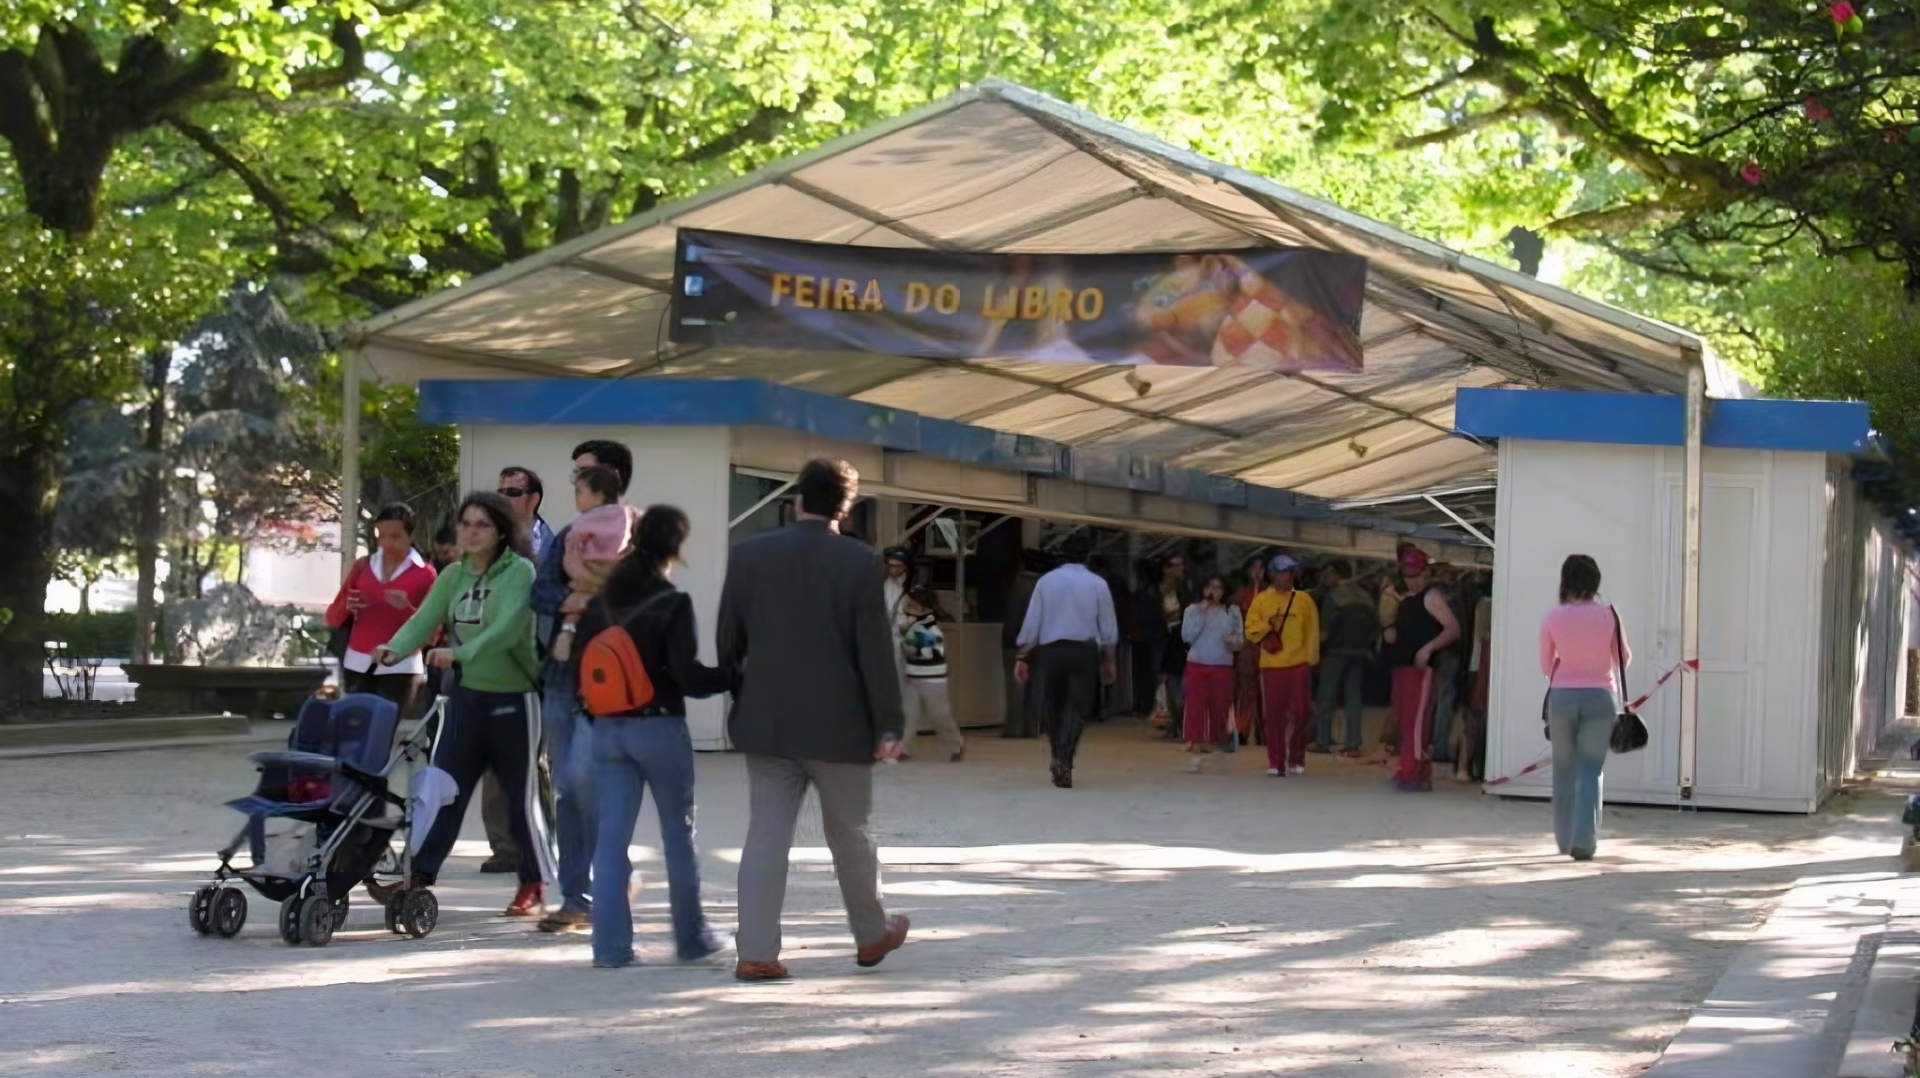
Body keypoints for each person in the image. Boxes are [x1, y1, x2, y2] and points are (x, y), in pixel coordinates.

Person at [718, 458, 910, 982]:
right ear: (846, 508)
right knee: (850, 833)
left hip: (767, 720)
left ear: (796, 499)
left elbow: (727, 642)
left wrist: (747, 695)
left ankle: (756, 950)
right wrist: (889, 723)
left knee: (766, 833)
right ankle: (871, 936)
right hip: (838, 726)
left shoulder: (749, 555)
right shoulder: (859, 561)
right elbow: (876, 652)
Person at [371, 491, 551, 917]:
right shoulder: (453, 575)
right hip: (466, 699)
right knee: (442, 790)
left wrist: (461, 654)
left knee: (519, 799)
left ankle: (534, 881)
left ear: (502, 532)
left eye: (481, 525)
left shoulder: (519, 572)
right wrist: (394, 649)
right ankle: (417, 877)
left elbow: (507, 630)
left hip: (514, 701)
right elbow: (423, 619)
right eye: (465, 524)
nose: (470, 532)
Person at [575, 506, 730, 967]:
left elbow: (579, 668)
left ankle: (610, 948)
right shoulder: (671, 602)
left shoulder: (599, 602)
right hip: (659, 727)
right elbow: (688, 677)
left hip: (607, 729)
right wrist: (736, 674)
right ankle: (691, 937)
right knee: (677, 836)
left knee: (610, 841)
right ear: (675, 548)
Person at [529, 438, 635, 933]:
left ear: (609, 478)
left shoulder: (639, 536)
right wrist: (576, 597)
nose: (572, 482)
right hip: (561, 678)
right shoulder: (566, 536)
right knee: (571, 788)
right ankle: (579, 895)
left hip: (614, 683)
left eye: (581, 474)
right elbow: (541, 591)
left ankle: (605, 886)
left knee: (598, 785)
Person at [1540, 555, 1629, 861]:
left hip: (1563, 697)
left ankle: (1563, 840)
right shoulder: (1609, 616)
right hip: (1601, 697)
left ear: (1565, 580)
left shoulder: (1553, 617)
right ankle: (1585, 841)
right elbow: (1624, 659)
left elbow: (1544, 666)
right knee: (1590, 770)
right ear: (1596, 582)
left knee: (1564, 768)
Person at [1014, 533, 1119, 788]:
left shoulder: (1046, 582)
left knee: (1050, 705)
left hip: (1050, 653)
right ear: (1087, 557)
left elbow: (1032, 623)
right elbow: (1108, 628)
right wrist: (1109, 659)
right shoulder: (1098, 584)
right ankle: (1064, 759)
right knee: (1076, 707)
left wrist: (1022, 656)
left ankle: (1056, 756)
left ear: (1060, 557)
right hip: (1083, 652)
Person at [324, 502, 436, 711]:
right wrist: (349, 606)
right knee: (355, 725)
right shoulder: (363, 566)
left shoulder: (425, 574)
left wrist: (406, 608)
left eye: (395, 536)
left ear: (410, 536)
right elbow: (332, 617)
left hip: (400, 663)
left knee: (382, 729)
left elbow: (432, 633)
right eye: (381, 536)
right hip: (357, 662)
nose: (386, 543)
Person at [550, 466, 642, 662]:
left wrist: (576, 571)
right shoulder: (628, 513)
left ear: (599, 495)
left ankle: (567, 631)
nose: (576, 497)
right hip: (616, 571)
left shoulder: (583, 522)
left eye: (579, 491)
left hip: (589, 568)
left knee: (577, 602)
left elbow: (572, 552)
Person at [1387, 547, 1461, 792]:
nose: (1413, 579)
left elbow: (1452, 628)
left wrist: (1428, 649)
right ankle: (1414, 770)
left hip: (1421, 669)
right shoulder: (1406, 597)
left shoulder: (1431, 596)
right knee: (1405, 720)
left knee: (1417, 722)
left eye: (1417, 573)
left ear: (1425, 572)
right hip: (1402, 665)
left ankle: (1414, 772)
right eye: (1408, 573)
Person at [1244, 554, 1320, 776]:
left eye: (1288, 572)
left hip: (1299, 664)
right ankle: (1276, 761)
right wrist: (1267, 627)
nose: (1284, 577)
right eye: (1279, 572)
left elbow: (1312, 632)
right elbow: (1250, 629)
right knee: (1274, 715)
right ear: (1272, 574)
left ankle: (1297, 755)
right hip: (1272, 665)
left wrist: (1311, 660)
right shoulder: (1261, 600)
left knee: (1302, 712)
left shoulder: (1304, 600)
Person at [1313, 560, 1377, 758]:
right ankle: (1353, 743)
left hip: (1335, 653)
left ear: (1334, 574)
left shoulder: (1334, 597)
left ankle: (1322, 740)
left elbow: (1324, 631)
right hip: (1358, 653)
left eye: (1327, 575)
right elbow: (1376, 627)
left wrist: (1317, 651)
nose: (1325, 580)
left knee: (1326, 697)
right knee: (1353, 699)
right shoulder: (1366, 597)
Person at [1180, 574, 1241, 771]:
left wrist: (1231, 640)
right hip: (1197, 663)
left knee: (1220, 705)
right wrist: (1200, 614)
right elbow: (1187, 636)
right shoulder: (1192, 610)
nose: (1214, 591)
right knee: (1195, 705)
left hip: (1221, 663)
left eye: (1218, 587)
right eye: (1210, 587)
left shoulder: (1231, 611)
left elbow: (1240, 639)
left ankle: (1218, 739)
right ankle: (1194, 741)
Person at [898, 587, 966, 762]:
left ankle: (956, 743)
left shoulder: (930, 629)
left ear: (927, 609)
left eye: (914, 606)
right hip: (913, 677)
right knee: (909, 714)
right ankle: (902, 747)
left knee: (939, 715)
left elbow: (917, 650)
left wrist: (903, 636)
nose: (909, 609)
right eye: (909, 605)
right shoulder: (912, 624)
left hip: (932, 679)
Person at [1134, 553, 1191, 737]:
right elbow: (1149, 620)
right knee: (1164, 682)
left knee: (1179, 684)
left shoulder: (1186, 589)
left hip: (1180, 643)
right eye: (1175, 565)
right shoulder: (1155, 591)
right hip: (1161, 642)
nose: (1179, 569)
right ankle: (1174, 723)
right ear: (1166, 569)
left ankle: (1181, 724)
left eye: (1181, 565)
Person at [999, 549, 1049, 739]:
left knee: (1016, 686)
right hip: (1041, 643)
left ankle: (1014, 729)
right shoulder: (1046, 585)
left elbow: (1014, 614)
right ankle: (1032, 728)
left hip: (1019, 642)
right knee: (1035, 687)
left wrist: (1010, 641)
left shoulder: (1021, 584)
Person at [1229, 554, 1267, 746]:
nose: (1258, 572)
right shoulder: (1240, 595)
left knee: (1265, 693)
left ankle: (1264, 733)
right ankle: (1241, 731)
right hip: (1246, 649)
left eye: (1261, 568)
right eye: (1254, 567)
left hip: (1266, 648)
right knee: (1244, 691)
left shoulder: (1270, 594)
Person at [497, 466, 554, 560]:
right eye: (500, 492)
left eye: (512, 492)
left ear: (533, 499)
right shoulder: (491, 535)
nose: (503, 498)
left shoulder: (555, 543)